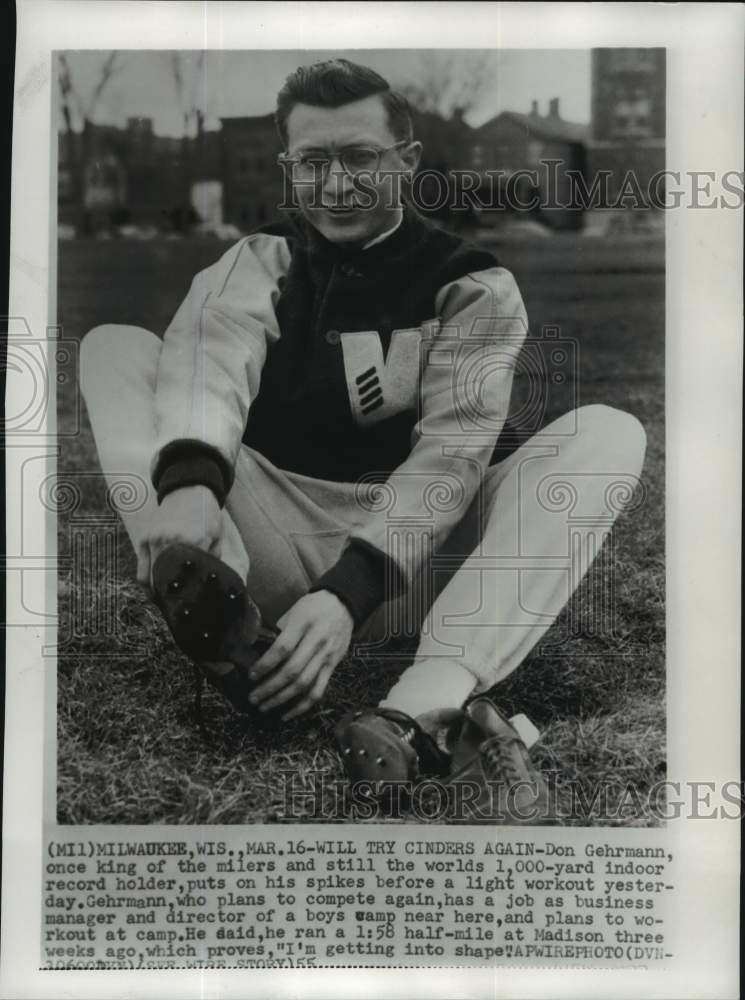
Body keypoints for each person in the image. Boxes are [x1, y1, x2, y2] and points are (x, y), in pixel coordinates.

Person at [80, 59, 646, 822]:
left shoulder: (473, 281)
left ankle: (418, 708)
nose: (336, 185)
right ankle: (227, 616)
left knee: (607, 431)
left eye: (358, 158)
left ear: (405, 162)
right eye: (313, 162)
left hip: (421, 567)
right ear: (288, 169)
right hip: (273, 541)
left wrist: (347, 596)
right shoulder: (256, 261)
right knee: (114, 346)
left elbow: (450, 459)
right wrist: (187, 486)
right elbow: (208, 363)